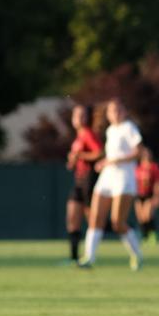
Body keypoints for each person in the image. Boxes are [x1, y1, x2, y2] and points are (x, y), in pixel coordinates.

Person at [80, 98, 145, 270]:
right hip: (107, 177)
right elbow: (111, 156)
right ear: (107, 114)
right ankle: (89, 257)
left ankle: (137, 254)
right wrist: (104, 162)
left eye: (119, 110)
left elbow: (138, 153)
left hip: (124, 178)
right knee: (95, 218)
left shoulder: (129, 128)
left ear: (125, 111)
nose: (116, 113)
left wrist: (115, 160)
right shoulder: (110, 131)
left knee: (117, 222)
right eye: (112, 110)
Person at [63, 104, 102, 264]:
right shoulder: (79, 136)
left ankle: (125, 229)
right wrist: (73, 161)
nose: (78, 118)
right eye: (76, 115)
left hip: (89, 179)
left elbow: (99, 152)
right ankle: (74, 257)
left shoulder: (87, 134)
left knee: (93, 218)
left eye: (82, 115)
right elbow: (79, 157)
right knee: (72, 216)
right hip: (79, 179)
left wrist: (81, 155)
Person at [133, 147, 159, 243]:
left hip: (149, 194)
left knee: (148, 215)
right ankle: (144, 236)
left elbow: (157, 183)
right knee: (141, 217)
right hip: (138, 195)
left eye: (148, 153)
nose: (146, 155)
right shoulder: (137, 167)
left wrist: (157, 196)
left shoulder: (154, 167)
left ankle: (153, 234)